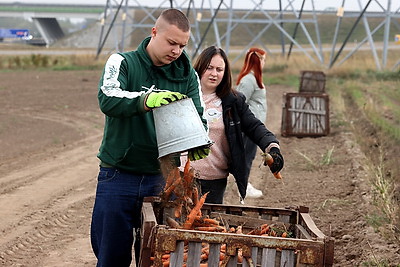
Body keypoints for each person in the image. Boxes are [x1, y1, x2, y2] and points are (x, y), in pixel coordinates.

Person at [90, 8, 209, 267]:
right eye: (171, 42)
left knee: (159, 256)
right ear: (154, 32)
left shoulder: (186, 74)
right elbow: (108, 98)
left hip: (163, 178)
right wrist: (146, 100)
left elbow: (199, 115)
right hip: (119, 174)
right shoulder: (122, 62)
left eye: (182, 45)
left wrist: (199, 140)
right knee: (111, 254)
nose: (177, 50)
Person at [182, 46, 284, 204]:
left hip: (214, 182)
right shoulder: (183, 96)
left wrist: (272, 147)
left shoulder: (233, 101)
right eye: (209, 68)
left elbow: (254, 127)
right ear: (200, 67)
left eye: (219, 69)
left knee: (208, 225)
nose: (214, 73)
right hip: (181, 178)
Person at [236, 47, 267, 198]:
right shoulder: (248, 80)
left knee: (249, 156)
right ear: (258, 61)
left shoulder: (253, 79)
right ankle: (243, 187)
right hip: (248, 127)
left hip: (253, 127)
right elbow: (240, 103)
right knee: (246, 157)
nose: (264, 63)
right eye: (263, 60)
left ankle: (243, 184)